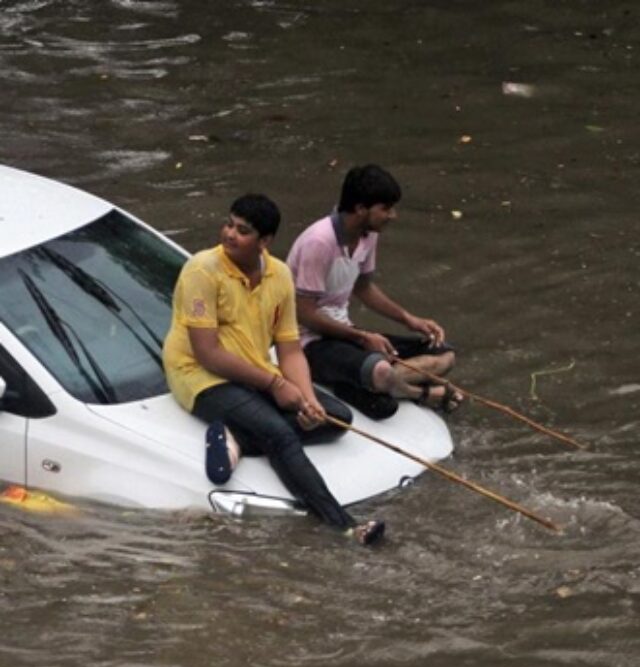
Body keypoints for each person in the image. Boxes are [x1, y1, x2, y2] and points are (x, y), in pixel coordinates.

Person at [162, 193, 385, 545]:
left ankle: (239, 438)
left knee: (333, 418)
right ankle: (345, 526)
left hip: (253, 370)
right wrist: (273, 384)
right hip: (199, 375)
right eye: (229, 225)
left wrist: (308, 400)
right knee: (280, 435)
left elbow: (291, 349)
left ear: (264, 241)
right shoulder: (202, 270)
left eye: (243, 231)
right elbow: (207, 354)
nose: (229, 235)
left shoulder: (279, 275)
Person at [287, 164, 462, 420]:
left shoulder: (368, 235)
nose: (393, 215)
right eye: (386, 208)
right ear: (360, 209)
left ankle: (371, 382)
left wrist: (409, 320)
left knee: (444, 353)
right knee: (382, 375)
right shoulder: (320, 242)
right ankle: (423, 393)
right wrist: (361, 337)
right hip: (310, 342)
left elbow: (363, 287)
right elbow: (304, 313)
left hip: (345, 330)